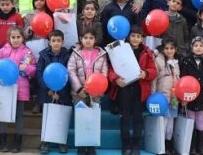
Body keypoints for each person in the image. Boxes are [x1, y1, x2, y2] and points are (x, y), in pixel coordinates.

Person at [108, 25, 157, 155]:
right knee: (124, 117)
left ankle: (135, 144)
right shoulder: (119, 50)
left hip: (139, 90)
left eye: (138, 36)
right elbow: (110, 69)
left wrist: (145, 74)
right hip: (124, 88)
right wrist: (116, 79)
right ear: (129, 37)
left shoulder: (147, 52)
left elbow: (153, 71)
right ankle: (125, 145)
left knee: (137, 117)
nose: (135, 39)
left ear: (142, 39)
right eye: (133, 36)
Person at [0, 27, 37, 152]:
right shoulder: (2, 52)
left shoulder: (27, 52)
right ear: (9, 38)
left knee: (19, 116)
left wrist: (27, 68)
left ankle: (18, 143)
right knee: (3, 115)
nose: (16, 40)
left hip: (21, 89)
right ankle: (3, 142)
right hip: (5, 89)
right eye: (13, 37)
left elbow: (34, 69)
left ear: (23, 38)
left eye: (18, 37)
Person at [68, 27, 109, 155]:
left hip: (96, 93)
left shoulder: (101, 54)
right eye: (85, 38)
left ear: (95, 40)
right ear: (81, 39)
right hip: (79, 93)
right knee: (80, 119)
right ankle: (81, 145)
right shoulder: (75, 53)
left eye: (91, 38)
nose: (88, 40)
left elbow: (104, 72)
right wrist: (79, 88)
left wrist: (98, 88)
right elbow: (71, 71)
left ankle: (91, 145)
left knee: (93, 119)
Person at [180, 36, 203, 155]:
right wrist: (183, 97)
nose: (198, 48)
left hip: (202, 96)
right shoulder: (186, 61)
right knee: (191, 119)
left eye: (201, 46)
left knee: (200, 119)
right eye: (196, 45)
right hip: (189, 96)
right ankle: (191, 145)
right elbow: (182, 79)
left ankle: (201, 145)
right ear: (192, 48)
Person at [37, 30, 72, 154]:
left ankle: (61, 142)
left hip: (63, 92)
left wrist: (59, 90)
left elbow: (69, 75)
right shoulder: (43, 56)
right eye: (53, 41)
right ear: (49, 42)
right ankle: (45, 142)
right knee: (47, 117)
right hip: (47, 92)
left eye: (58, 41)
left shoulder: (68, 56)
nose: (56, 43)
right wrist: (50, 89)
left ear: (63, 42)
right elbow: (39, 74)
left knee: (61, 118)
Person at [152, 38, 181, 155]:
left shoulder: (177, 62)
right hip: (161, 96)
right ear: (163, 50)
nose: (169, 51)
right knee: (162, 121)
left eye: (171, 48)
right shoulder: (158, 61)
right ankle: (161, 145)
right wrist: (152, 94)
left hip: (174, 97)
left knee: (171, 122)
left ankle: (169, 143)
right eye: (166, 48)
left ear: (175, 50)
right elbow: (153, 79)